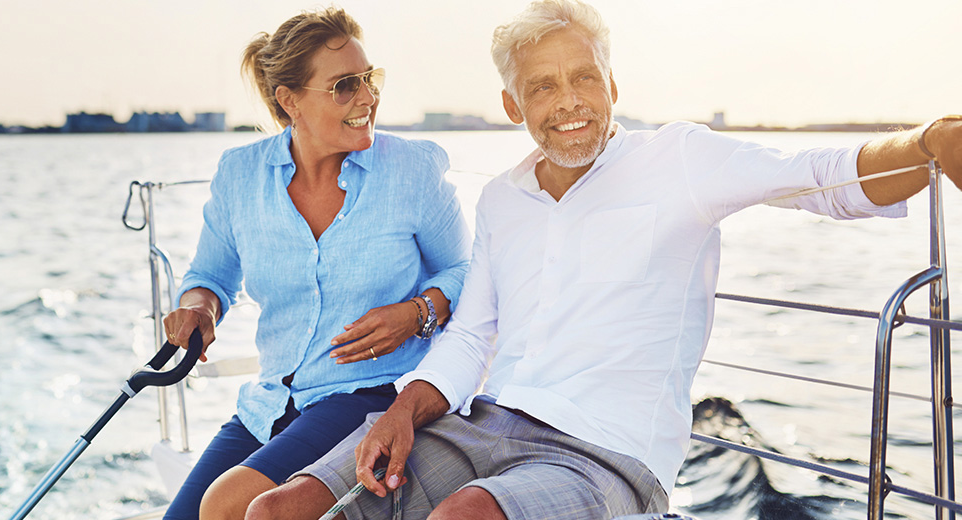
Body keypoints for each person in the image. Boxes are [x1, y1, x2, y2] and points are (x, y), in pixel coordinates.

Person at [245, 1, 962, 519]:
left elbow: (824, 175)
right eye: (543, 87)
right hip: (480, 426)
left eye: (584, 78)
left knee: (463, 518)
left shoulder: (678, 160)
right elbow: (471, 336)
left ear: (613, 83)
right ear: (510, 103)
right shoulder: (502, 198)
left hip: (602, 456)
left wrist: (930, 142)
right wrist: (404, 407)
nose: (570, 103)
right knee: (277, 510)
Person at [159, 7, 471, 520]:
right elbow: (209, 278)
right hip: (269, 402)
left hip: (367, 394)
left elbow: (466, 272)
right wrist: (200, 309)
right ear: (289, 101)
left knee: (228, 506)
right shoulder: (240, 175)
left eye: (370, 80)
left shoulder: (412, 169)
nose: (368, 98)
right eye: (345, 86)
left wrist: (417, 313)